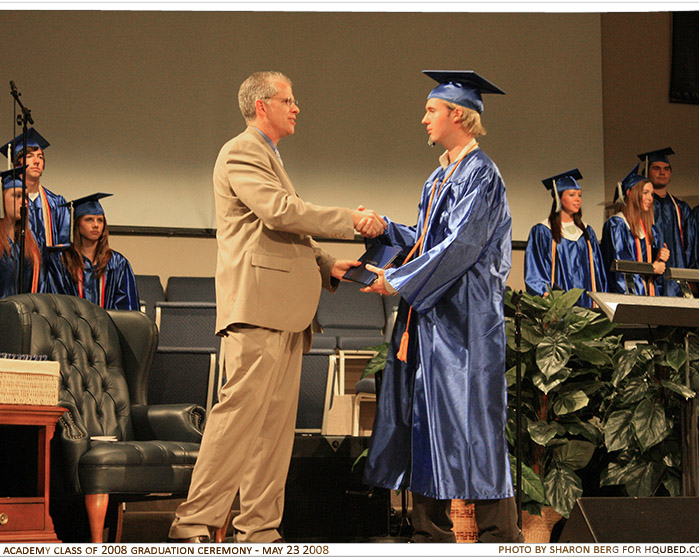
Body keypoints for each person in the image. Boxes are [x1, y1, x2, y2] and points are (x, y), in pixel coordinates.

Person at [168, 71, 385, 544]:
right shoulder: (242, 150)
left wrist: (327, 264)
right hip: (259, 309)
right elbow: (280, 211)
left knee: (272, 433)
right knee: (237, 422)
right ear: (262, 105)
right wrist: (351, 219)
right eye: (289, 99)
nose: (297, 107)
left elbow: (286, 229)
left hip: (286, 312)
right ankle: (194, 527)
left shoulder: (269, 156)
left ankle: (259, 532)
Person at [360, 70, 523, 543]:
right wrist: (386, 230)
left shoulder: (481, 175)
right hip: (433, 319)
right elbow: (428, 242)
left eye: (431, 110)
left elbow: (461, 246)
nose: (424, 118)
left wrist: (399, 280)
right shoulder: (438, 177)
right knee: (427, 420)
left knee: (473, 423)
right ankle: (429, 534)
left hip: (467, 322)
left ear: (458, 114)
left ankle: (499, 537)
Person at [525, 169, 607, 308]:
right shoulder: (543, 231)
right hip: (558, 305)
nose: (578, 199)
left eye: (579, 195)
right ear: (558, 198)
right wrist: (544, 294)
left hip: (587, 302)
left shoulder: (587, 232)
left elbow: (598, 271)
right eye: (572, 195)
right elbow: (536, 268)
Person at [44, 194, 140, 311]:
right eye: (89, 219)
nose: (96, 225)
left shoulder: (117, 263)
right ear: (77, 224)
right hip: (72, 327)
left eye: (100, 220)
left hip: (107, 327)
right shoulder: (61, 261)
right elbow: (57, 302)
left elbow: (126, 308)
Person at [0, 168, 43, 345]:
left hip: (21, 327)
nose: (24, 202)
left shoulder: (28, 244)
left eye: (25, 197)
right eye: (16, 196)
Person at [0, 128, 71, 254]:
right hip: (15, 267)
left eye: (40, 157)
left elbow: (65, 243)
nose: (37, 161)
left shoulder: (57, 203)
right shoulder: (4, 200)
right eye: (30, 156)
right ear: (17, 164)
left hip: (49, 271)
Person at [600, 165, 669, 295]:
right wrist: (652, 268)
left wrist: (659, 256)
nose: (650, 198)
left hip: (649, 295)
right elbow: (621, 267)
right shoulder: (617, 224)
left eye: (652, 194)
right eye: (645, 193)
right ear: (629, 193)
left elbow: (654, 268)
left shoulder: (650, 229)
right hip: (628, 296)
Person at [638, 147, 691, 296]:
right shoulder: (642, 207)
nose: (662, 172)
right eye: (656, 168)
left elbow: (690, 245)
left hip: (679, 274)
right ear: (647, 172)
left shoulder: (681, 208)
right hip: (652, 274)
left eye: (666, 169)